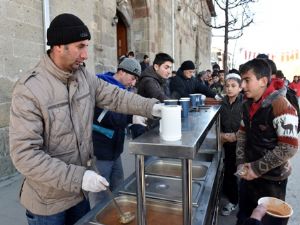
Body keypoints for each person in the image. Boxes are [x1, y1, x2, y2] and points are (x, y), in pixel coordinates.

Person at [9, 13, 161, 225]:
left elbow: (116, 96)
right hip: (48, 204)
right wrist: (79, 177)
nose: (86, 54)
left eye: (87, 46)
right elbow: (25, 155)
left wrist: (152, 107)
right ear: (58, 46)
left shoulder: (84, 77)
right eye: (80, 46)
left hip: (79, 194)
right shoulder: (30, 89)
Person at [235, 58, 298, 225]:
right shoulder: (247, 105)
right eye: (242, 80)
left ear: (263, 81)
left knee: (268, 221)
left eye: (247, 80)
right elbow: (242, 135)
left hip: (272, 181)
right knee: (244, 216)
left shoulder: (282, 106)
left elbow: (289, 147)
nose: (242, 86)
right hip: (248, 176)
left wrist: (256, 168)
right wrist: (241, 163)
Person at [89, 58, 141, 208]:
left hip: (115, 150)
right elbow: (104, 117)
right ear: (121, 72)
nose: (133, 83)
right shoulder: (102, 87)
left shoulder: (124, 90)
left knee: (119, 188)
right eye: (132, 78)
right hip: (101, 150)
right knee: (101, 194)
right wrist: (131, 117)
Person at [220, 73, 243, 216]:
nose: (229, 89)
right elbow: (219, 122)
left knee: (237, 172)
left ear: (240, 88)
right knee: (229, 169)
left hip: (240, 143)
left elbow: (248, 125)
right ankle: (230, 195)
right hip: (226, 142)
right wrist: (221, 135)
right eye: (227, 86)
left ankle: (234, 201)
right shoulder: (222, 102)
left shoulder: (245, 103)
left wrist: (235, 136)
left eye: (233, 86)